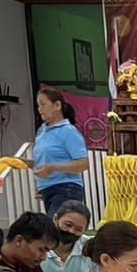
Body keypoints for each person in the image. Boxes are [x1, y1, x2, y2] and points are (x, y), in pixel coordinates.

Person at [31, 88, 90, 216]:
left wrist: (52, 169)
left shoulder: (68, 131)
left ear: (57, 105)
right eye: (38, 105)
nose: (39, 109)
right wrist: (21, 163)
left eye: (43, 104)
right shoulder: (42, 131)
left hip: (66, 189)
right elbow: (42, 162)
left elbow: (83, 164)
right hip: (47, 189)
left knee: (56, 229)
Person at [42, 201, 95, 272]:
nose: (71, 231)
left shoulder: (90, 248)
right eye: (68, 225)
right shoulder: (39, 248)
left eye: (78, 229)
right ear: (55, 219)